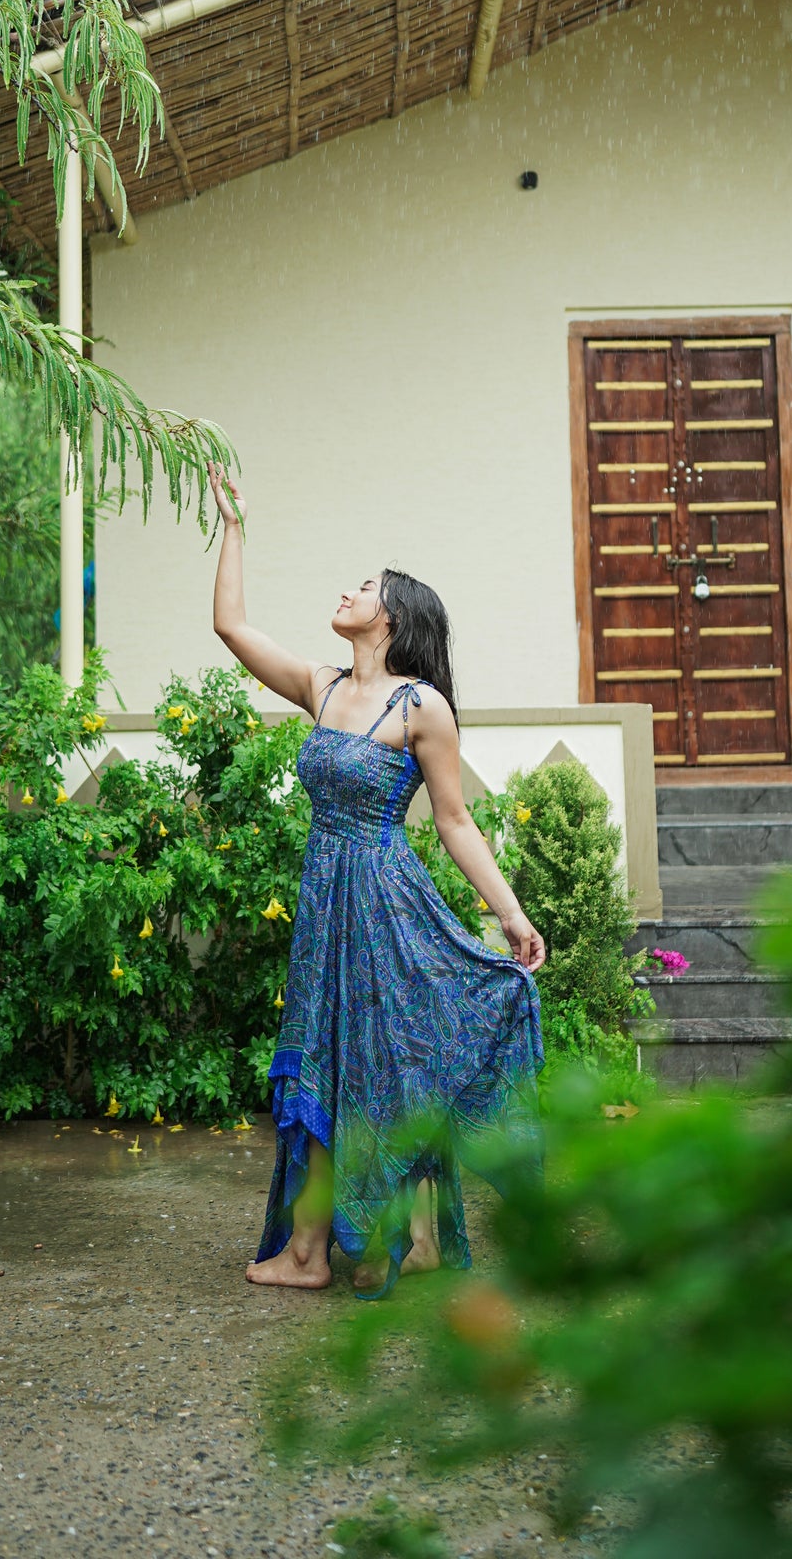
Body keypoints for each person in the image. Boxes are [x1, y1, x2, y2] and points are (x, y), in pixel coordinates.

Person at [205, 462, 545, 1298]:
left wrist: (509, 914)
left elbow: (455, 820)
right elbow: (230, 626)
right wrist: (233, 527)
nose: (345, 594)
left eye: (362, 588)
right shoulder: (320, 687)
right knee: (323, 1064)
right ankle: (312, 1251)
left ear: (391, 614)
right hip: (327, 903)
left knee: (398, 1065)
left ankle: (412, 1239)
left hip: (386, 900)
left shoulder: (421, 706)